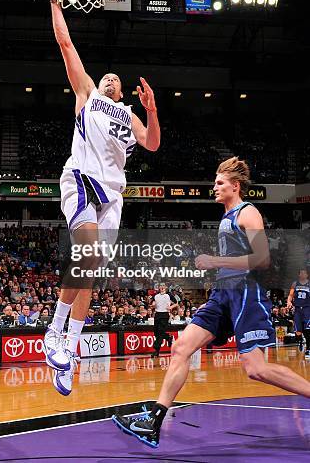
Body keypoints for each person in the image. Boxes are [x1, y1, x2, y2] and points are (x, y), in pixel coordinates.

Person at [112, 157, 310, 447]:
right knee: (181, 347)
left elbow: (262, 258)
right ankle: (154, 421)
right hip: (223, 294)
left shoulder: (248, 212)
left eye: (219, 183)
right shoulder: (226, 216)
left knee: (255, 369)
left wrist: (215, 260)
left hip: (245, 293)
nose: (214, 187)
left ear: (235, 186)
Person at [44, 0, 160, 397]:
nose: (110, 80)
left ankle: (67, 349)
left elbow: (152, 142)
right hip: (81, 177)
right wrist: (56, 2)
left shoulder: (129, 116)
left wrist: (151, 111)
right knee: (87, 254)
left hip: (113, 195)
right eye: (106, 77)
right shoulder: (87, 93)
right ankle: (54, 333)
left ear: (123, 90)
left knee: (91, 269)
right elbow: (66, 45)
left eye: (115, 79)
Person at [287, 268, 310, 358]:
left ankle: (308, 349)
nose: (303, 275)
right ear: (299, 275)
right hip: (297, 309)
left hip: (307, 308)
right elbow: (291, 295)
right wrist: (289, 302)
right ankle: (300, 340)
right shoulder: (295, 283)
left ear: (307, 275)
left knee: (308, 329)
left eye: (304, 273)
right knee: (298, 331)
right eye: (301, 273)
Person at [151, 284, 174, 358]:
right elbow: (153, 303)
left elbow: (176, 302)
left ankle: (156, 351)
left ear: (166, 288)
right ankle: (168, 337)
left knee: (160, 332)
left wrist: (171, 307)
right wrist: (153, 305)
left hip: (164, 315)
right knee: (156, 333)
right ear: (159, 288)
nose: (162, 287)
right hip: (157, 314)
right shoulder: (156, 296)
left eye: (164, 286)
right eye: (161, 286)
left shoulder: (168, 295)